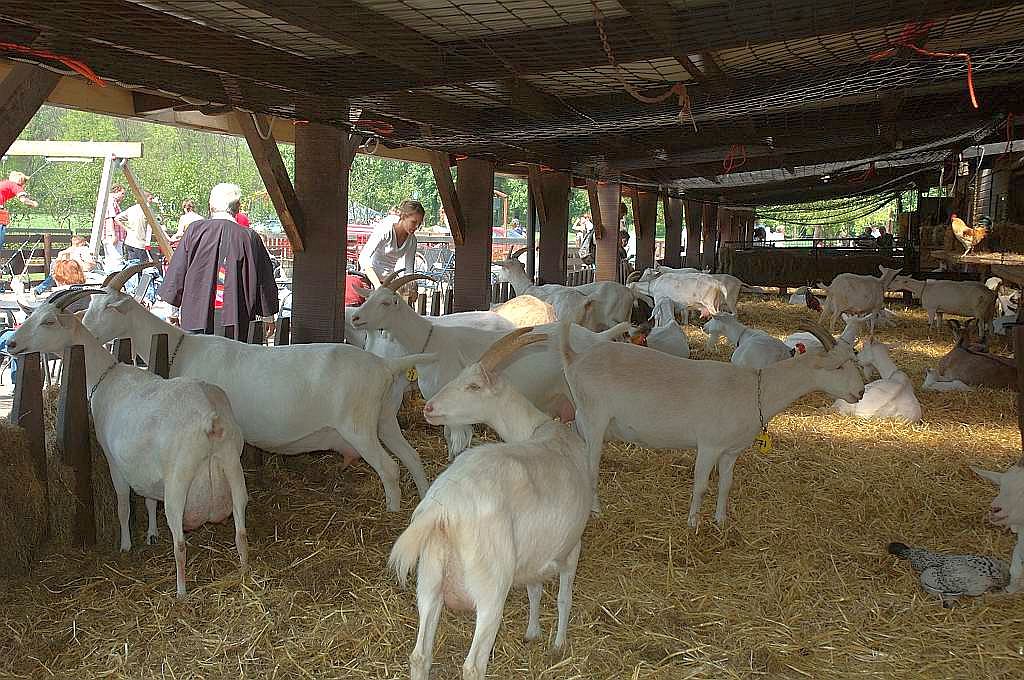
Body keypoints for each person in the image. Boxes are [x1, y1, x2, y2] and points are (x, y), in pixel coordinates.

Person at [158, 183, 279, 336]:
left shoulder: (194, 231)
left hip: (195, 319)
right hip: (235, 321)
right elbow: (264, 281)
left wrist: (172, 312)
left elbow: (177, 273)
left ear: (211, 206)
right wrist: (268, 317)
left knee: (197, 359)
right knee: (232, 359)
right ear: (238, 206)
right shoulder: (249, 238)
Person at [357, 199, 425, 289]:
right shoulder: (385, 229)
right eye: (413, 222)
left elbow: (409, 270)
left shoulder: (412, 241)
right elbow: (363, 258)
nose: (416, 227)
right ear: (403, 217)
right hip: (369, 279)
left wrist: (411, 287)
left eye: (419, 224)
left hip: (388, 282)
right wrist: (377, 285)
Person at [0, 171, 39, 251]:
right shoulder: (15, 185)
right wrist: (33, 203)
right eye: (24, 182)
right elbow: (23, 200)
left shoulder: (5, 183)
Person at [117, 191, 156, 265]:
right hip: (139, 244)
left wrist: (127, 229)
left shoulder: (131, 209)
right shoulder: (147, 211)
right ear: (145, 199)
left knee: (131, 267)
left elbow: (117, 218)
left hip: (129, 242)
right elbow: (152, 228)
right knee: (140, 267)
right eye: (150, 198)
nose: (151, 201)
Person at [101, 185, 127, 270]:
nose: (123, 196)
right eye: (122, 193)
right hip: (112, 235)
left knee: (112, 259)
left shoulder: (113, 202)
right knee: (116, 259)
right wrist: (113, 235)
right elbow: (109, 218)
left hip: (115, 235)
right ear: (116, 191)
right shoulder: (110, 201)